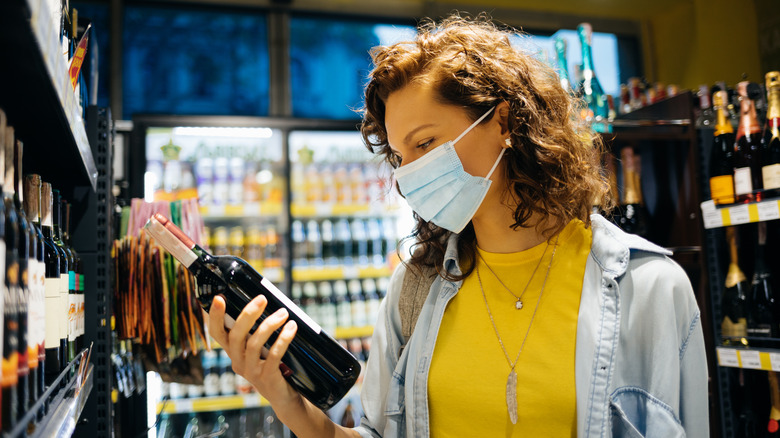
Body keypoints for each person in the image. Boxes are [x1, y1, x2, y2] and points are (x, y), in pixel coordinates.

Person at [206, 14, 709, 437]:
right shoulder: (415, 291)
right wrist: (287, 400)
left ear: (504, 122)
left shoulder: (649, 289)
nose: (410, 175)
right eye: (401, 157)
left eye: (426, 144)